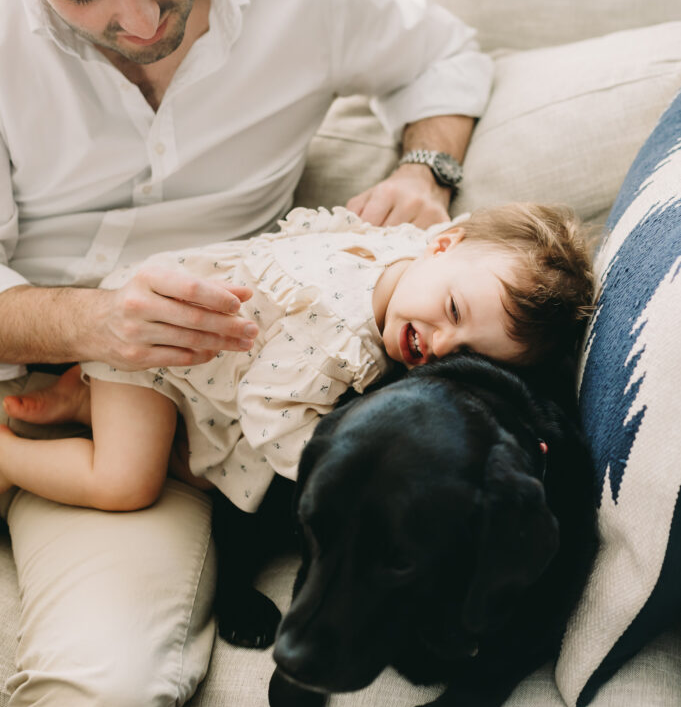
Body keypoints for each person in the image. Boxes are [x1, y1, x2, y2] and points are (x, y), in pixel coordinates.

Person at [0, 0, 496, 707]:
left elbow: (442, 55)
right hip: (37, 356)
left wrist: (425, 171)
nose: (137, 18)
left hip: (165, 428)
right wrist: (94, 318)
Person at [0, 202, 594, 513]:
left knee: (199, 459)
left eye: (466, 352)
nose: (440, 345)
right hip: (150, 344)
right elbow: (268, 415)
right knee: (129, 484)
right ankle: (10, 455)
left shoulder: (410, 255)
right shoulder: (336, 333)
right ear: (442, 244)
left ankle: (84, 397)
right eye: (455, 313)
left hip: (196, 353)